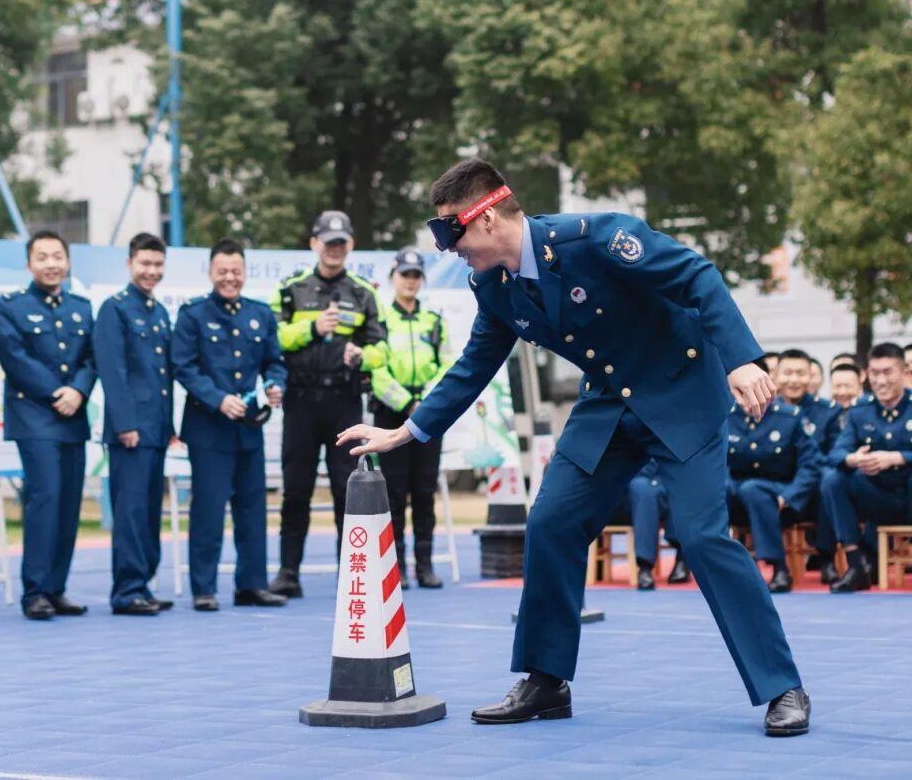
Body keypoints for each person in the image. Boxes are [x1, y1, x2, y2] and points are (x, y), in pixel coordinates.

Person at [338, 158, 810, 736]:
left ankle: (782, 686)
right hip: (608, 404)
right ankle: (546, 681)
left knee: (701, 535)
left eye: (450, 231)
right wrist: (407, 431)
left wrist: (742, 360)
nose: (447, 248)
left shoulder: (598, 238)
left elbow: (697, 276)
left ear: (486, 218)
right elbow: (475, 364)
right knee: (551, 523)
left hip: (681, 393)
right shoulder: (494, 285)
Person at [267, 210, 388, 598]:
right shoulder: (291, 289)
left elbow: (382, 350)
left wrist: (362, 356)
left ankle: (349, 574)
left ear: (350, 245)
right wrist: (312, 328)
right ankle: (288, 572)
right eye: (328, 242)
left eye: (341, 242)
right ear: (314, 243)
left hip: (344, 403)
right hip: (300, 401)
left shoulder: (364, 293)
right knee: (295, 489)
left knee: (345, 489)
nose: (334, 249)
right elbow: (272, 338)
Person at [172, 238, 288, 611]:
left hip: (249, 428)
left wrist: (275, 385)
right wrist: (218, 399)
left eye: (236, 271)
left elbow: (274, 362)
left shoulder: (260, 313)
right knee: (208, 510)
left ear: (244, 272)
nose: (229, 278)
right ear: (210, 272)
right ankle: (203, 588)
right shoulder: (192, 314)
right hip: (208, 430)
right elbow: (183, 366)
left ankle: (251, 584)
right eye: (222, 271)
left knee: (252, 510)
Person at [0, 231, 96, 620]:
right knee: (45, 499)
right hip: (35, 416)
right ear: (29, 264)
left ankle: (56, 588)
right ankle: (35, 591)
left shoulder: (81, 307)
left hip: (74, 417)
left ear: (67, 262)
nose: (51, 264)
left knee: (69, 503)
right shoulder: (10, 307)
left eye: (57, 257)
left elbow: (92, 357)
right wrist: (58, 393)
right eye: (42, 257)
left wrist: (79, 391)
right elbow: (15, 358)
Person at [94, 233, 174, 615]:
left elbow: (162, 375)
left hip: (155, 429)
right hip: (131, 431)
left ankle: (143, 583)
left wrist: (168, 425)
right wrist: (125, 423)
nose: (151, 271)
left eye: (157, 264)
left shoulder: (159, 312)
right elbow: (113, 372)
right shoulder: (115, 309)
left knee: (149, 512)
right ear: (129, 264)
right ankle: (127, 591)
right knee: (129, 513)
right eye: (145, 263)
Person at [371, 249, 454, 589]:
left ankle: (425, 565)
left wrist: (425, 405)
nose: (410, 281)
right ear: (393, 277)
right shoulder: (379, 321)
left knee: (424, 491)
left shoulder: (433, 320)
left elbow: (447, 366)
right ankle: (397, 567)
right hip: (391, 412)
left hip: (427, 416)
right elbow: (376, 370)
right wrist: (406, 402)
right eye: (404, 274)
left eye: (416, 275)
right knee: (393, 493)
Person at [821, 343, 912, 594]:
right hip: (877, 497)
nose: (881, 381)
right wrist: (854, 459)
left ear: (905, 373)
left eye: (888, 372)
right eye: (875, 373)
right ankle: (857, 564)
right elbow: (836, 453)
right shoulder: (860, 410)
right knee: (833, 479)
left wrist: (898, 457)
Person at [726, 390, 821, 593]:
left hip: (779, 496)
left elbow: (810, 466)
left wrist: (789, 496)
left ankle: (778, 567)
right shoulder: (725, 417)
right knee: (716, 490)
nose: (748, 399)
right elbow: (717, 462)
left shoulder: (789, 417)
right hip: (736, 497)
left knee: (753, 490)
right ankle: (719, 568)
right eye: (742, 393)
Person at [773, 349, 842, 583]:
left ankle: (826, 559)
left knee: (829, 482)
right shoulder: (764, 409)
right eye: (788, 373)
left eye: (800, 373)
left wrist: (800, 485)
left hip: (814, 489)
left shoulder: (828, 411)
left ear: (811, 377)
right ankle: (777, 567)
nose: (794, 380)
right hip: (778, 487)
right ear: (776, 375)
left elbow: (834, 455)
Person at [607, 459, 672, 590]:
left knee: (681, 488)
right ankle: (644, 567)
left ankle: (683, 558)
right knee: (644, 490)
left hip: (663, 479)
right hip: (630, 484)